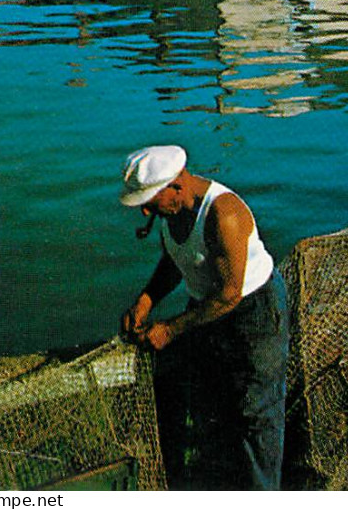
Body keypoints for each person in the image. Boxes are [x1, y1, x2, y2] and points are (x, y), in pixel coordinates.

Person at [119, 146, 287, 490]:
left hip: (252, 310)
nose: (146, 211)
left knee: (257, 413)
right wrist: (146, 300)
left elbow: (229, 295)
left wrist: (171, 329)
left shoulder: (224, 215)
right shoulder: (171, 212)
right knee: (215, 400)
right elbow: (176, 259)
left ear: (178, 185)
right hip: (207, 308)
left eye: (150, 201)